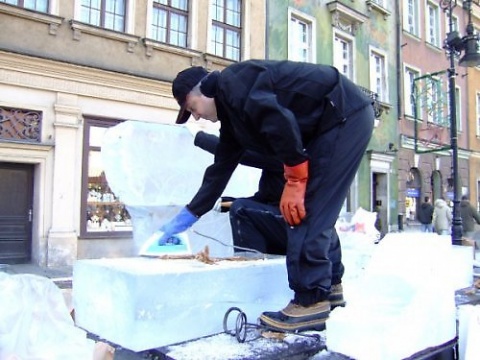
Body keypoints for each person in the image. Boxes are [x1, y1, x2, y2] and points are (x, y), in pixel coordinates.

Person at [151, 60, 374, 332]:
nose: (196, 117)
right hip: (337, 118)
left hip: (342, 114)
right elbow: (219, 171)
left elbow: (277, 120)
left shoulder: (233, 83)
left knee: (305, 211)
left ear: (202, 91)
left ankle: (310, 303)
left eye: (192, 108)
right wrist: (187, 216)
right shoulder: (233, 119)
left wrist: (294, 177)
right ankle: (329, 288)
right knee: (313, 210)